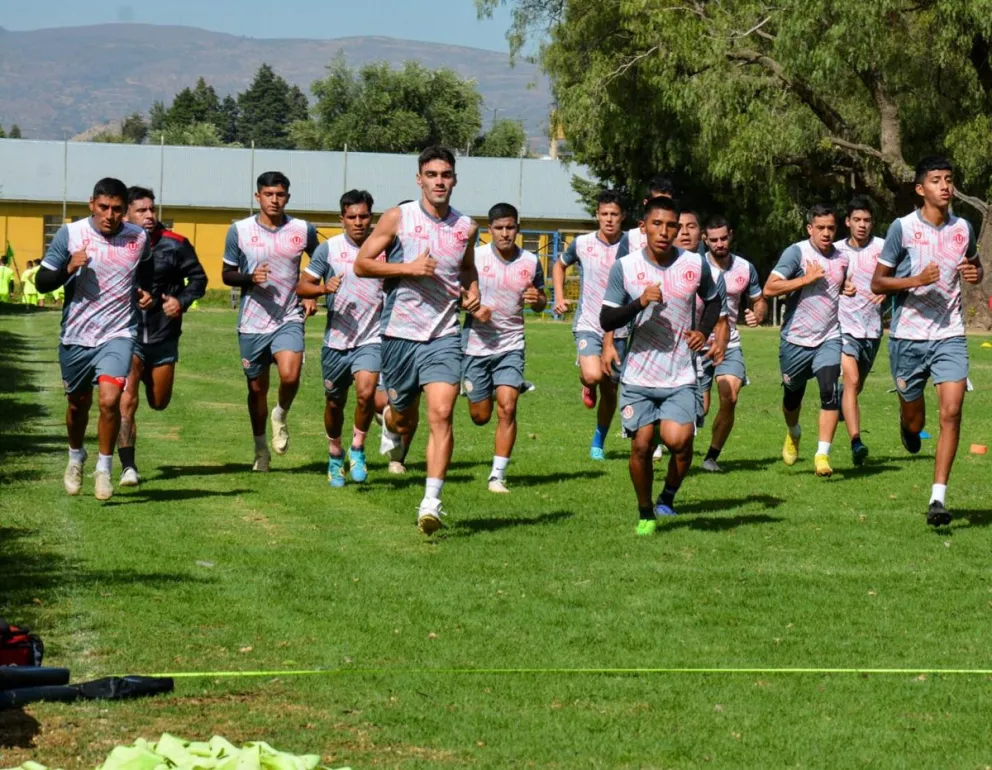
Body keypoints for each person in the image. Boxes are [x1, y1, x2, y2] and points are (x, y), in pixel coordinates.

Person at [354, 146, 481, 535]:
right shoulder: (399, 217)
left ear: (455, 179)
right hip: (399, 334)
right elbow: (362, 264)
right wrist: (408, 268)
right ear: (419, 179)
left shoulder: (466, 227)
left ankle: (431, 502)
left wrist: (473, 290)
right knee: (404, 417)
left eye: (446, 174)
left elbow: (467, 267)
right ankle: (389, 420)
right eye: (432, 174)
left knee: (441, 413)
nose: (439, 181)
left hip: (443, 334)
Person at [600, 196, 725, 535]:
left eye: (672, 225)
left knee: (679, 441)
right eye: (657, 224)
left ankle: (667, 495)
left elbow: (714, 301)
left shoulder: (694, 264)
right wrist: (639, 302)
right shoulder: (625, 267)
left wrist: (703, 331)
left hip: (680, 374)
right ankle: (646, 512)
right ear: (643, 227)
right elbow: (607, 318)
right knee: (641, 446)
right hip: (638, 376)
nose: (665, 231)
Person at [871, 155, 983, 526]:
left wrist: (975, 273)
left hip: (949, 333)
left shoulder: (963, 228)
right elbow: (877, 283)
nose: (945, 186)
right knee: (915, 420)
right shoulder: (902, 228)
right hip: (908, 337)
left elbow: (975, 267)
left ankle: (938, 498)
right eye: (936, 180)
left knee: (951, 411)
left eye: (949, 179)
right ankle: (907, 425)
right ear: (921, 189)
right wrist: (915, 280)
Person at [34, 177, 153, 500]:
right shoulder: (70, 234)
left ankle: (104, 468)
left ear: (124, 209)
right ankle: (76, 457)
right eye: (103, 207)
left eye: (117, 209)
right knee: (78, 405)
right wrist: (69, 267)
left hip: (118, 333)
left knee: (110, 400)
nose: (110, 215)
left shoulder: (138, 236)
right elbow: (42, 282)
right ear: (92, 204)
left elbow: (146, 269)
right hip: (76, 335)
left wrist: (145, 291)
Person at [222, 172, 319, 471]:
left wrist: (310, 294)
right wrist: (250, 278)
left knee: (290, 376)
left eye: (280, 194)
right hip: (252, 322)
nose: (274, 200)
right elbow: (227, 274)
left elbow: (321, 265)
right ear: (258, 197)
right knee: (256, 390)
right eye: (268, 194)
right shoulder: (239, 230)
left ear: (287, 197)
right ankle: (260, 448)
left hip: (288, 316)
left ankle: (280, 414)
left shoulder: (303, 229)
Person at [117, 186, 208, 486]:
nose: (149, 215)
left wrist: (180, 301)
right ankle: (128, 467)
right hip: (126, 333)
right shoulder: (117, 243)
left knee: (159, 402)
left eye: (151, 209)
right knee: (126, 401)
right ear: (127, 213)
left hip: (163, 335)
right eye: (141, 210)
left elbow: (199, 279)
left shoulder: (176, 243)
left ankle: (149, 380)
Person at [297, 189, 383, 487]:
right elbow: (302, 286)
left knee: (366, 393)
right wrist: (323, 289)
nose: (358, 222)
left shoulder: (385, 247)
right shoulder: (328, 249)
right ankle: (335, 454)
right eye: (352, 217)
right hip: (336, 340)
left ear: (372, 217)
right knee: (334, 403)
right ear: (342, 219)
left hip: (371, 337)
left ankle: (357, 448)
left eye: (364, 216)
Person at [763, 203, 855, 478]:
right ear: (809, 229)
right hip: (795, 339)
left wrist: (845, 287)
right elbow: (770, 288)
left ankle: (822, 455)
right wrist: (805, 279)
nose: (826, 233)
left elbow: (836, 284)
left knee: (830, 390)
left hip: (829, 336)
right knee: (792, 397)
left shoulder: (843, 258)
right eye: (821, 228)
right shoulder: (797, 253)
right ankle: (793, 432)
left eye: (831, 228)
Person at [462, 202, 546, 493]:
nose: (505, 233)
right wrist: (475, 309)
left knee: (507, 408)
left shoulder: (531, 262)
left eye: (510, 227)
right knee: (480, 416)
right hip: (475, 345)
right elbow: (457, 293)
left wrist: (538, 300)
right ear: (489, 230)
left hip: (511, 344)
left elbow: (541, 299)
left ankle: (497, 476)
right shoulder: (475, 258)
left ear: (517, 229)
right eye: (499, 228)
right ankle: (490, 387)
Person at [551, 190, 626, 460]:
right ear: (597, 215)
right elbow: (559, 266)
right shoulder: (582, 243)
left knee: (610, 389)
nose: (609, 219)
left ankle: (598, 442)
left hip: (620, 328)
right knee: (594, 375)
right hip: (589, 323)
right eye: (604, 214)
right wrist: (559, 297)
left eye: (614, 214)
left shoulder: (632, 245)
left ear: (622, 216)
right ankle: (587, 382)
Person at [697, 216, 766, 472]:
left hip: (729, 343)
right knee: (701, 409)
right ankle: (661, 438)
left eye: (723, 238)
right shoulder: (695, 266)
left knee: (730, 396)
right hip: (697, 345)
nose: (719, 244)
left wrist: (757, 314)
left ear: (731, 236)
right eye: (713, 240)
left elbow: (759, 300)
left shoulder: (745, 268)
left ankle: (711, 457)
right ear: (705, 240)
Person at [836, 196, 885, 467]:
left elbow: (903, 276)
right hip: (843, 328)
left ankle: (840, 403)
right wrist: (840, 285)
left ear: (872, 223)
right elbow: (822, 281)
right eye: (857, 220)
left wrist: (888, 292)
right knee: (852, 381)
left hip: (872, 330)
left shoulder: (884, 248)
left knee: (856, 387)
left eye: (866, 220)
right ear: (848, 222)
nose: (862, 225)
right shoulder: (835, 251)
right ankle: (856, 442)